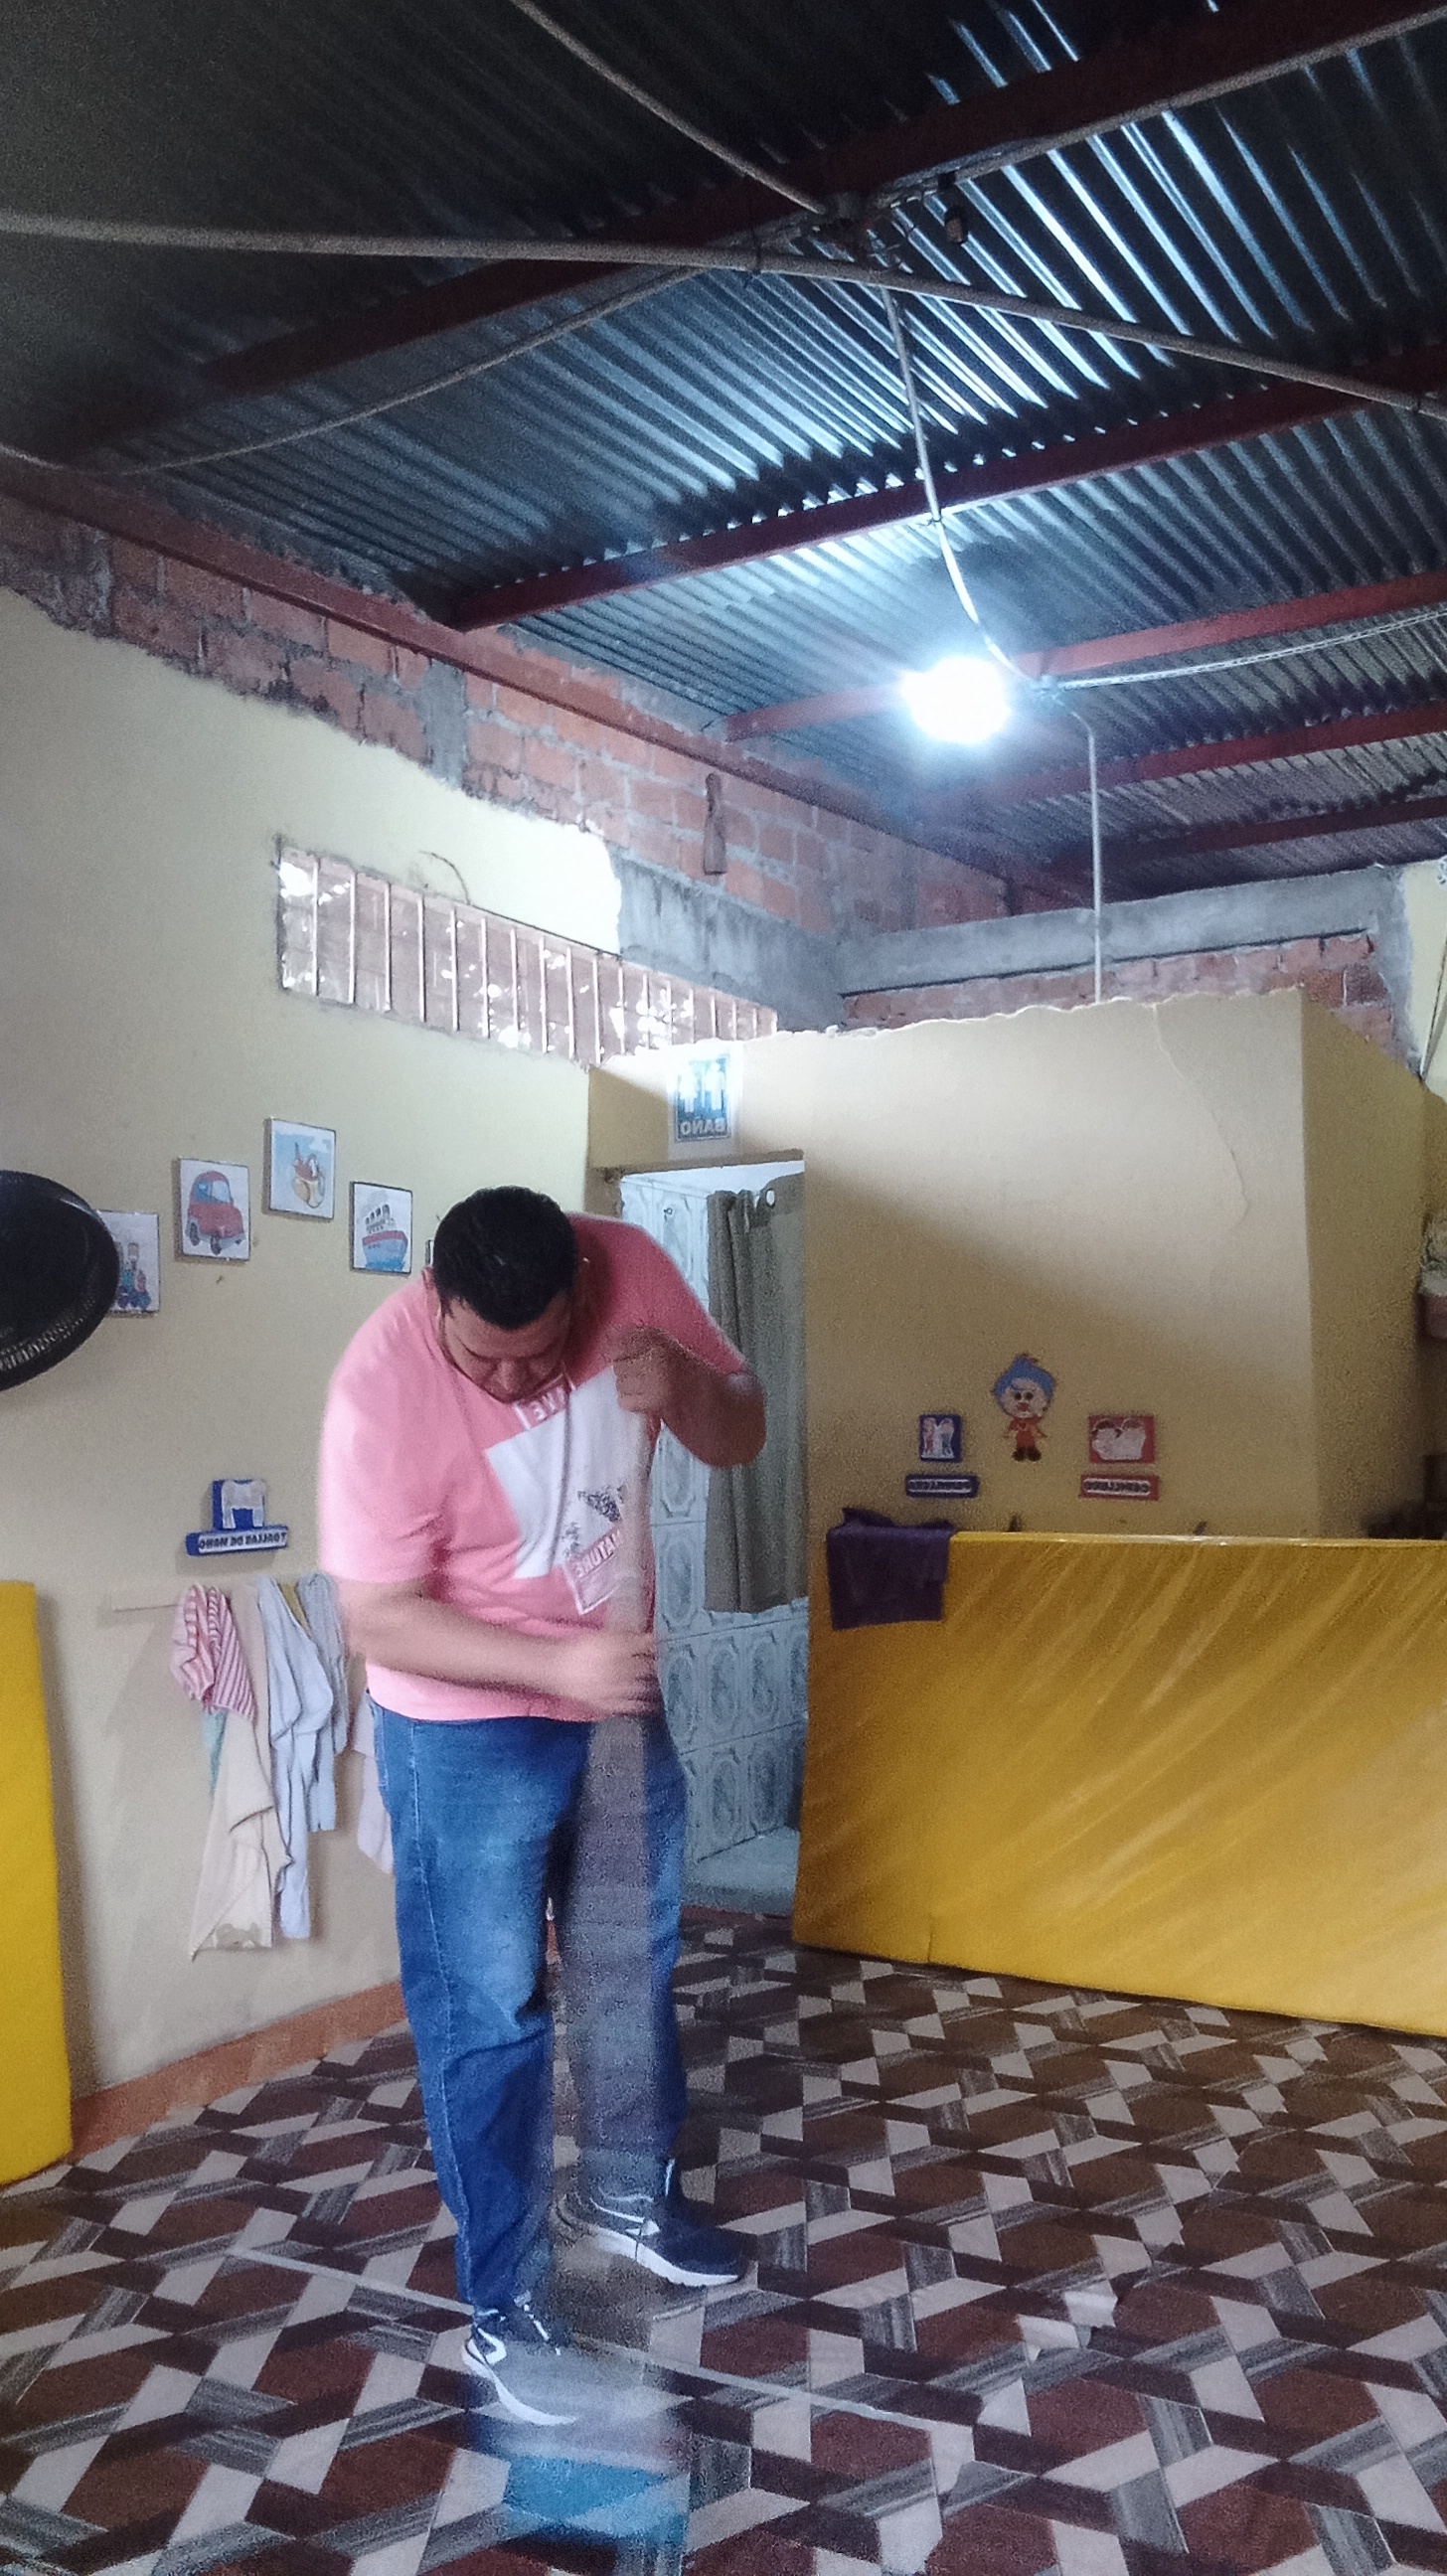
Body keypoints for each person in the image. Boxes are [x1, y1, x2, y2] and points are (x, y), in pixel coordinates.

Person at [318, 1185, 766, 2424]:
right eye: (485, 1359)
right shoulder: (380, 1390)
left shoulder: (631, 1269)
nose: (514, 1384)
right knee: (488, 2017)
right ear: (435, 1298)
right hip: (460, 1727)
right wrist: (558, 1671)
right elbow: (376, 1619)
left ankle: (623, 2194)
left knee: (629, 1967)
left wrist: (690, 1387)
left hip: (610, 1697)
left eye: (541, 1354)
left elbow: (741, 1432)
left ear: (581, 1287)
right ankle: (504, 2304)